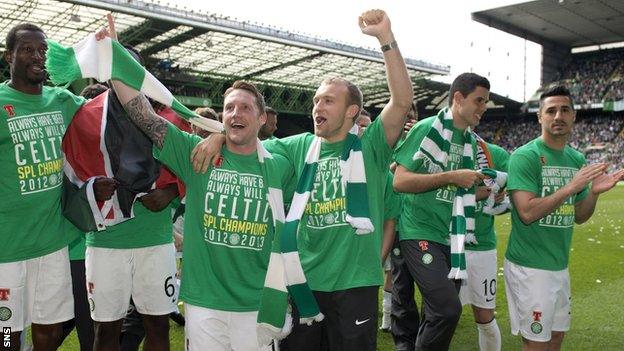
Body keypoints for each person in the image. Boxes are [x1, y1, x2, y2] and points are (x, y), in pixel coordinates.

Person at [191, 9, 413, 350]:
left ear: (351, 111)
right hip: (302, 282)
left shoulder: (370, 149)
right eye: (315, 100)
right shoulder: (299, 147)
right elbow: (248, 142)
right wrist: (220, 135)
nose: (316, 106)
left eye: (327, 100)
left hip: (355, 285)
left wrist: (386, 39)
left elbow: (401, 102)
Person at [504, 85, 624, 351]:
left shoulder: (575, 158)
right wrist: (570, 187)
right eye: (551, 110)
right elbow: (526, 213)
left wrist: (592, 193)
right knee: (536, 343)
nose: (558, 116)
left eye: (564, 110)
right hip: (530, 268)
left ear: (574, 117)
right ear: (540, 117)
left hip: (559, 266)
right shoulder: (525, 156)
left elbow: (580, 215)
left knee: (556, 338)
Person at [0, 23, 86, 351]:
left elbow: (108, 119)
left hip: (52, 242)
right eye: (27, 49)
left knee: (49, 330)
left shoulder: (61, 100)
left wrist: (110, 54)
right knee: (7, 335)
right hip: (7, 246)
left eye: (42, 51)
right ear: (9, 55)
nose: (37, 56)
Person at [393, 72, 492, 350]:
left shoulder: (471, 142)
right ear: (458, 98)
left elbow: (459, 190)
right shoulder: (427, 128)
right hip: (418, 231)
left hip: (452, 237)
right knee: (448, 309)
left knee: (437, 313)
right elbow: (400, 181)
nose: (483, 107)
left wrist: (486, 190)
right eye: (479, 100)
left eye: (485, 101)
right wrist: (451, 176)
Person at [459, 139, 509, 351]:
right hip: (445, 243)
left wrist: (500, 199)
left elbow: (515, 196)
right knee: (441, 315)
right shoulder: (443, 146)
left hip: (482, 247)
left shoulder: (496, 153)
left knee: (485, 317)